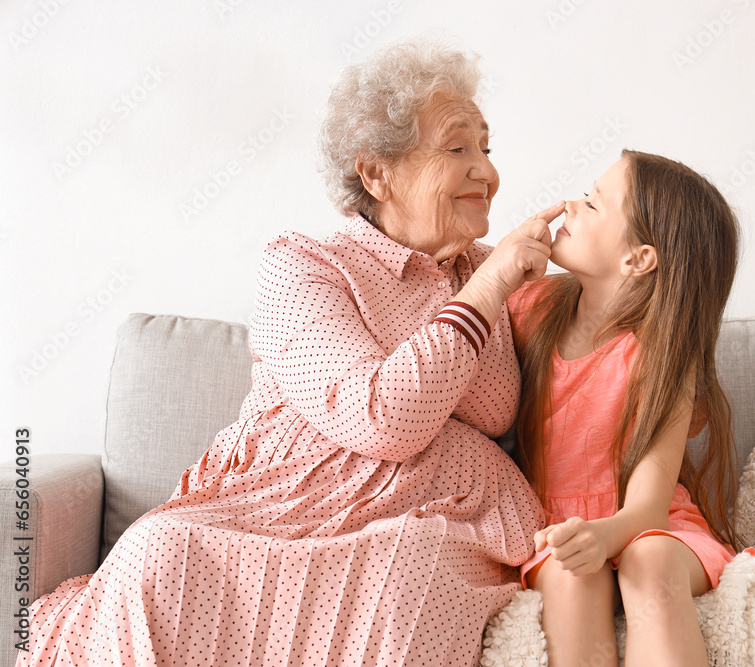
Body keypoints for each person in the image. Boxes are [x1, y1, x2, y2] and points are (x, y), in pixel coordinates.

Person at [20, 37, 558, 666]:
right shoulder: (304, 265)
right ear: (377, 173)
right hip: (276, 506)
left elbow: (505, 406)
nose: (488, 173)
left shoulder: (488, 273)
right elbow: (384, 418)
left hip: (436, 514)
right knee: (161, 552)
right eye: (458, 147)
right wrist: (487, 289)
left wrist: (523, 277)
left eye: (487, 149)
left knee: (411, 578)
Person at [509, 150, 751, 666]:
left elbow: (646, 510)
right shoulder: (529, 307)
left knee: (650, 556)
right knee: (573, 573)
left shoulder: (662, 358)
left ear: (638, 259)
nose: (573, 204)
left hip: (650, 524)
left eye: (593, 204)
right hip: (557, 532)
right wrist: (508, 255)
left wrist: (604, 534)